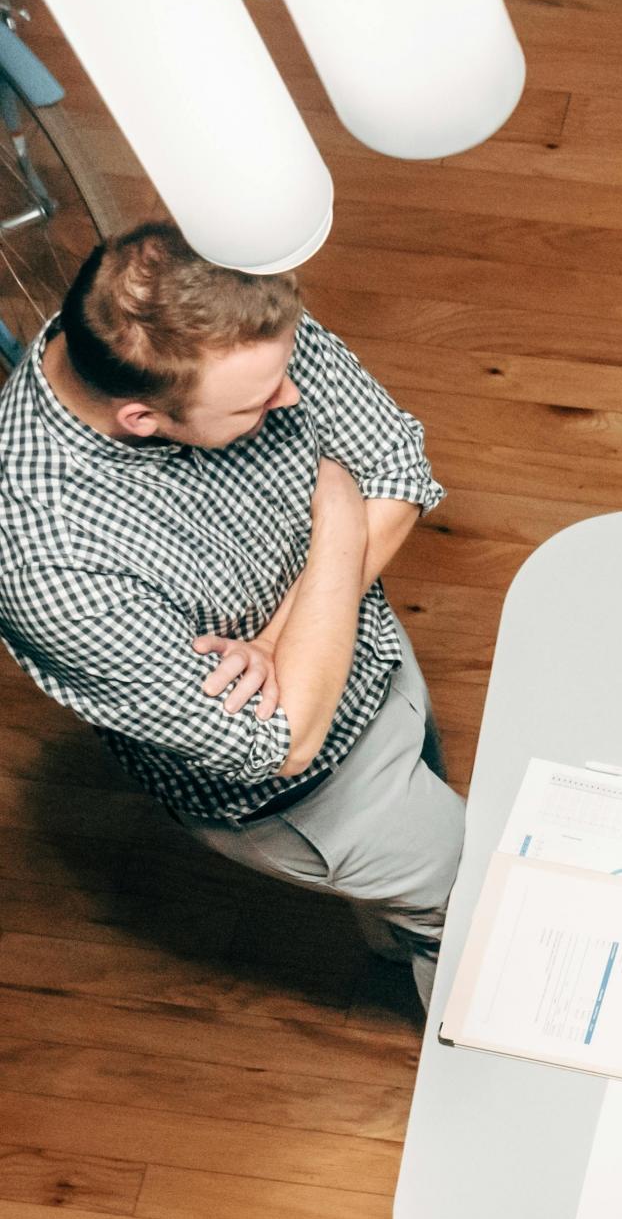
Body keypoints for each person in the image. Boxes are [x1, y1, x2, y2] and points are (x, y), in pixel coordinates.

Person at [0, 223, 459, 1007]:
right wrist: (340, 514)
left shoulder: (218, 316)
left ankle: (398, 929)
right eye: (256, 406)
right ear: (143, 417)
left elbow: (397, 466)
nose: (290, 396)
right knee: (476, 914)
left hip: (378, 659)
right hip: (317, 798)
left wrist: (281, 638)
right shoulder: (48, 559)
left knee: (421, 868)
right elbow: (282, 738)